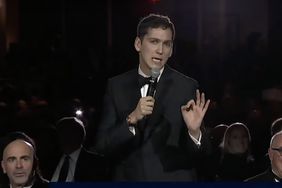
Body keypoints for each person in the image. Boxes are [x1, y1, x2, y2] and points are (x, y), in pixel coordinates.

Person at [94, 13, 211, 181]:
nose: (160, 50)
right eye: (154, 41)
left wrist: (194, 132)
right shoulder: (116, 86)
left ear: (171, 50)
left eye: (166, 44)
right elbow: (102, 146)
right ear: (138, 44)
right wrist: (131, 119)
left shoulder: (186, 86)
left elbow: (203, 154)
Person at [50, 117, 109, 182]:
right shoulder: (49, 159)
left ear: (79, 135)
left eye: (64, 131)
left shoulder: (96, 163)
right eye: (59, 132)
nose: (59, 136)